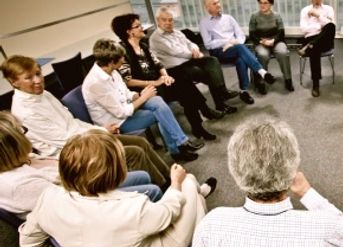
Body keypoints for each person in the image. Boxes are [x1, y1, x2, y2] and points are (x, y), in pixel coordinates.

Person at [19, 129, 217, 247]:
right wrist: (175, 183)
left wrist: (66, 240)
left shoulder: (48, 198)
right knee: (189, 182)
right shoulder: (130, 207)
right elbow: (167, 214)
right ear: (116, 171)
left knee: (192, 197)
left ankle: (200, 198)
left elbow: (28, 242)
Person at [181, 118, 343, 247]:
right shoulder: (325, 228)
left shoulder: (213, 223)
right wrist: (306, 192)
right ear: (292, 171)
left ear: (235, 172)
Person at [1, 55, 172, 187]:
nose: (38, 80)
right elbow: (66, 139)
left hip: (84, 139)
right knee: (134, 152)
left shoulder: (43, 94)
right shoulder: (25, 112)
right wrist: (103, 132)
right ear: (14, 82)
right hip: (71, 154)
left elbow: (73, 123)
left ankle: (169, 179)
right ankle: (163, 190)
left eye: (38, 74)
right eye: (29, 78)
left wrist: (101, 130)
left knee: (139, 141)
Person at [0, 112, 164, 218]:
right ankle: (163, 220)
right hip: (86, 205)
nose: (26, 133)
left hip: (82, 186)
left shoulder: (25, 158)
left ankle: (161, 206)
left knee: (143, 175)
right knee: (152, 190)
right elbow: (73, 204)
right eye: (22, 131)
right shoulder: (19, 184)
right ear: (12, 145)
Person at [82, 39, 203, 162]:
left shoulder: (110, 71)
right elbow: (121, 113)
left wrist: (137, 95)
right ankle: (178, 147)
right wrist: (143, 97)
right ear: (111, 62)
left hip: (127, 107)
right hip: (117, 123)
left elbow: (125, 93)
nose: (124, 60)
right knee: (160, 113)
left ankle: (179, 144)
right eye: (121, 58)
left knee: (157, 100)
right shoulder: (95, 83)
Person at [111, 13, 220, 141]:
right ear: (129, 32)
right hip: (143, 90)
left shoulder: (143, 45)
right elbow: (127, 81)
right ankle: (197, 121)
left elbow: (159, 64)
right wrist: (155, 82)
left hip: (158, 82)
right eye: (138, 26)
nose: (142, 28)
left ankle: (198, 127)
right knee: (183, 86)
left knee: (183, 82)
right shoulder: (123, 52)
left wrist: (165, 76)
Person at [149, 7, 241, 115]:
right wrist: (194, 54)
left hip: (188, 61)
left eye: (170, 20)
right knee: (209, 74)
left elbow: (190, 43)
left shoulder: (177, 32)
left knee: (212, 61)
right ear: (158, 20)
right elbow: (176, 52)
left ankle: (222, 91)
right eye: (164, 20)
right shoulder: (156, 38)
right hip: (175, 68)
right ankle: (219, 103)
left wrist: (195, 49)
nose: (168, 23)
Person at [200, 0, 275, 104]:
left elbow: (241, 35)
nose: (218, 5)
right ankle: (261, 72)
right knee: (240, 48)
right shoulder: (204, 23)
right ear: (207, 7)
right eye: (214, 3)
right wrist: (226, 42)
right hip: (219, 51)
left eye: (218, 2)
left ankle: (243, 91)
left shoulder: (229, 18)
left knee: (241, 59)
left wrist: (233, 43)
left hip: (234, 47)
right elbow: (208, 44)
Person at [249, 0, 294, 92]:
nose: (262, 5)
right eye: (260, 2)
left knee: (283, 52)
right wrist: (262, 41)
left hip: (276, 41)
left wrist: (273, 40)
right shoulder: (254, 16)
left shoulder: (277, 15)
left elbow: (281, 33)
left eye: (265, 3)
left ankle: (288, 79)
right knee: (263, 55)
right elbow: (252, 35)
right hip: (261, 42)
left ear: (271, 4)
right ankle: (261, 81)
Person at [299, 0, 336, 97]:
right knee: (315, 49)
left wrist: (318, 15)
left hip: (325, 40)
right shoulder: (305, 10)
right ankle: (316, 85)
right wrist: (319, 26)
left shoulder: (329, 9)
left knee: (331, 26)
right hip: (311, 38)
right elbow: (303, 29)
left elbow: (331, 26)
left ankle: (308, 47)